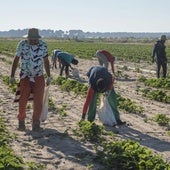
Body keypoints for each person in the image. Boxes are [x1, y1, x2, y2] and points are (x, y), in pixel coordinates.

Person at [9, 28, 51, 131]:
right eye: (31, 39)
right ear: (28, 38)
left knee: (38, 101)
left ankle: (36, 123)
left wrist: (48, 76)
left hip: (39, 76)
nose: (33, 41)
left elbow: (46, 61)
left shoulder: (43, 45)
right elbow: (16, 59)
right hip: (25, 76)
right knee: (23, 99)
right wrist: (12, 75)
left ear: (38, 38)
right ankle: (21, 121)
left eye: (34, 39)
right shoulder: (22, 44)